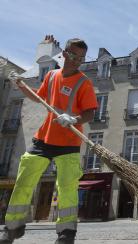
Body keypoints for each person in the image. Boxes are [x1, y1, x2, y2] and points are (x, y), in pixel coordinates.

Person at [0, 38, 98, 244]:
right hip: (44, 138)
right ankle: (12, 227)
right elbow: (39, 97)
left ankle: (66, 233)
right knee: (24, 179)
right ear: (64, 53)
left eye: (81, 58)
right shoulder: (52, 76)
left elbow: (90, 112)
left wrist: (74, 119)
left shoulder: (84, 83)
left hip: (69, 141)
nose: (76, 61)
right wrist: (20, 84)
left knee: (67, 187)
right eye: (73, 56)